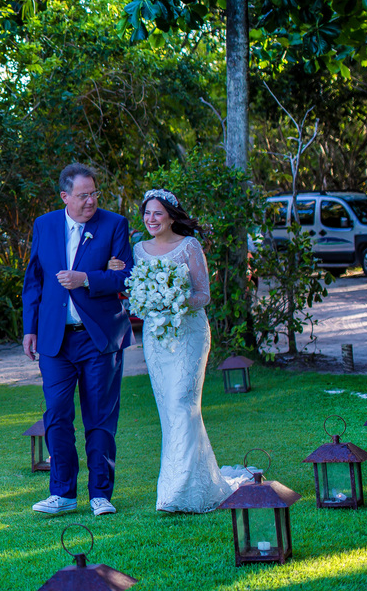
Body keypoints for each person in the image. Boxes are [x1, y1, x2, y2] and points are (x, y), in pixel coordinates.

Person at [108, 189, 246, 512]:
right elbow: (129, 288)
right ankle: (197, 483)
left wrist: (177, 300)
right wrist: (136, 289)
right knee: (169, 411)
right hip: (156, 340)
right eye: (147, 214)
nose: (151, 219)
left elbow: (204, 295)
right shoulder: (138, 250)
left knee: (184, 404)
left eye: (158, 213)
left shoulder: (189, 247)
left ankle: (174, 492)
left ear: (171, 216)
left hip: (190, 336)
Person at [22, 163, 134, 516]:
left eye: (94, 194)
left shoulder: (114, 225)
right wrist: (30, 328)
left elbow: (127, 277)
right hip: (55, 339)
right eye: (83, 195)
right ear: (65, 196)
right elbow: (34, 280)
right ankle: (63, 494)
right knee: (56, 414)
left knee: (99, 416)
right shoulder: (45, 224)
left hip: (99, 338)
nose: (91, 201)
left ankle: (100, 494)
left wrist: (86, 278)